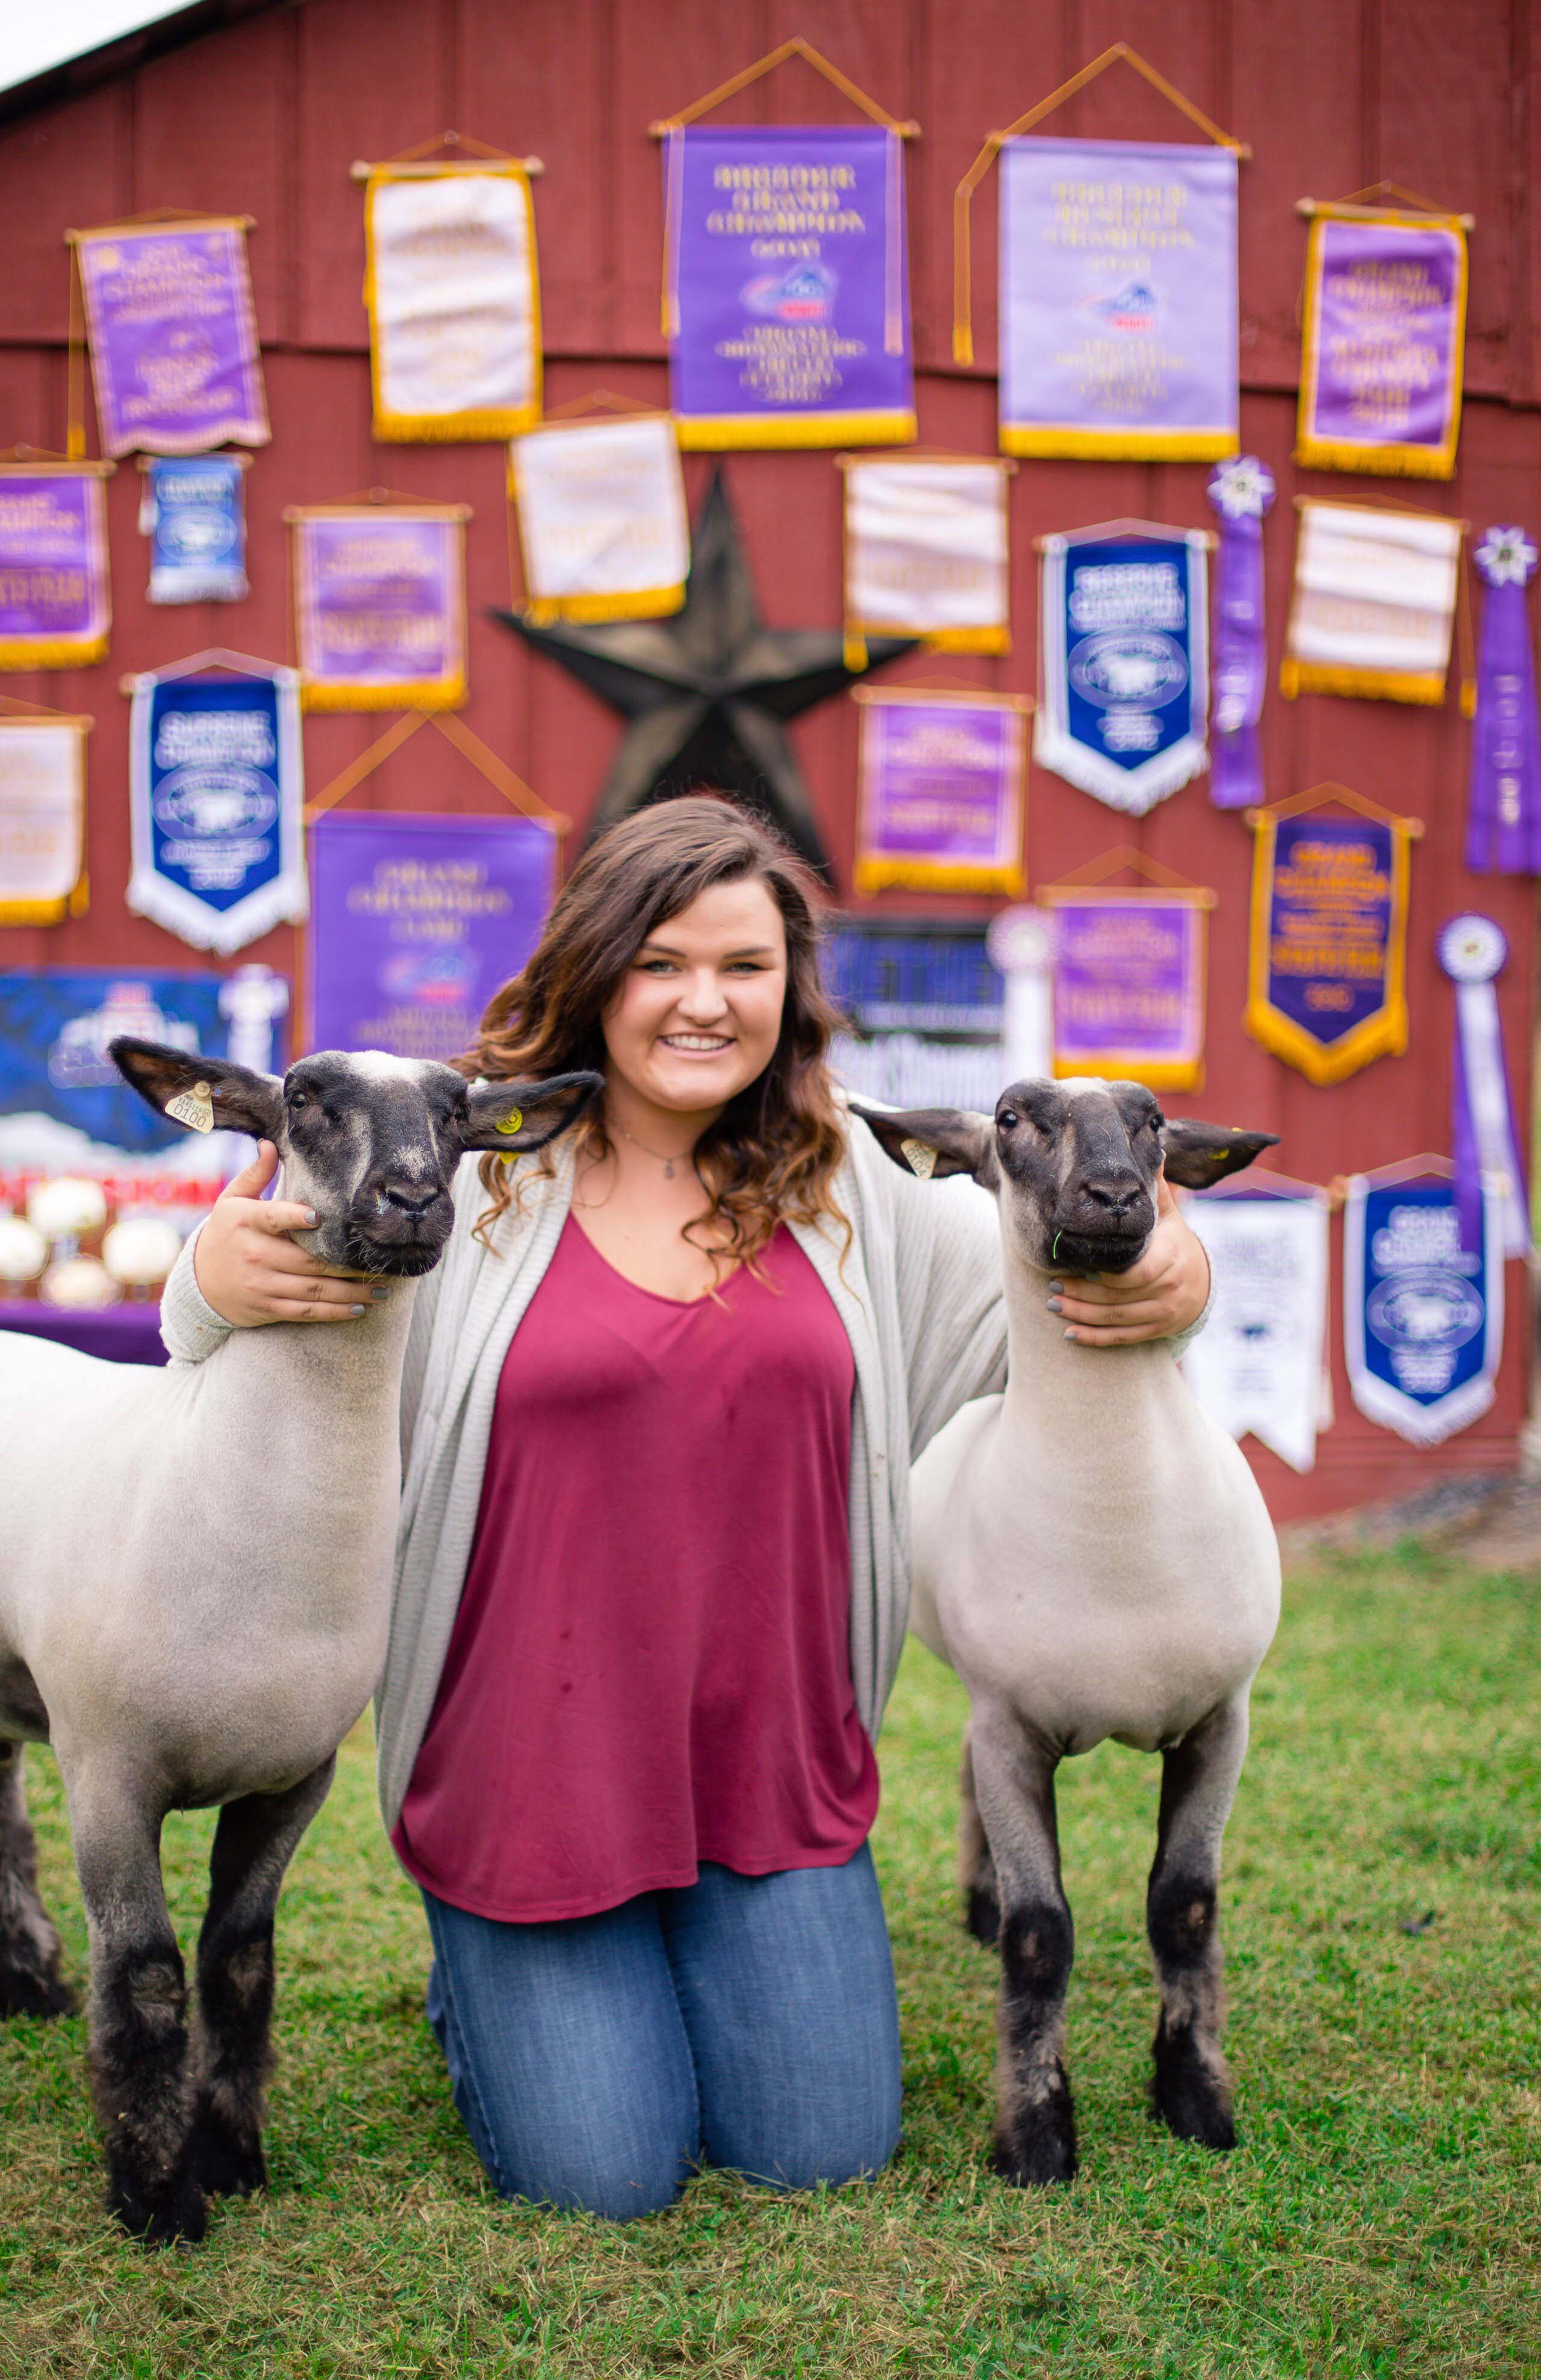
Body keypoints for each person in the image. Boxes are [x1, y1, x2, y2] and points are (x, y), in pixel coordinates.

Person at [160, 796, 1211, 2220]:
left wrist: (1179, 1275)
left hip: (767, 1762)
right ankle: (475, 1964)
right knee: (603, 2171)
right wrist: (209, 1277)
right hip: (523, 1765)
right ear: (595, 965)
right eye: (660, 961)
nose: (703, 1002)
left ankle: (669, 1944)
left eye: (746, 966)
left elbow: (1059, 1284)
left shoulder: (852, 1184)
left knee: (819, 2144)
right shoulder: (456, 1159)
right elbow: (237, 1318)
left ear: (792, 988)